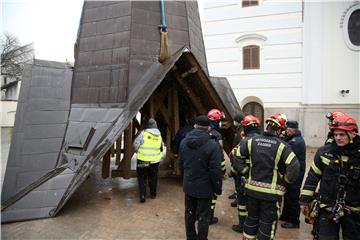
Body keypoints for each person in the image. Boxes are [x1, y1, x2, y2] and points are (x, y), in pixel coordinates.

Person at [233, 113, 300, 240]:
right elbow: (294, 167)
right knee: (267, 227)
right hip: (271, 196)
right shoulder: (282, 146)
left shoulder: (252, 141)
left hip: (251, 191)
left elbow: (236, 156)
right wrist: (285, 181)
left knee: (251, 222)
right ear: (280, 129)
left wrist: (246, 172)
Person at [299, 115, 360, 240]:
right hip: (327, 208)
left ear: (353, 134)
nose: (338, 138)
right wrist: (304, 201)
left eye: (342, 135)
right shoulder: (324, 152)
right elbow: (312, 177)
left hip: (353, 210)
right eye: (336, 134)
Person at [179, 115, 223, 240]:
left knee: (189, 213)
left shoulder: (184, 142)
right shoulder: (213, 145)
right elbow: (215, 170)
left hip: (189, 185)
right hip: (205, 188)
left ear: (195, 126)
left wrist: (185, 179)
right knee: (204, 216)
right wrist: (217, 188)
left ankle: (190, 237)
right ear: (208, 128)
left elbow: (181, 164)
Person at [231, 115, 261, 233]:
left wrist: (237, 172)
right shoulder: (261, 140)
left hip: (243, 177)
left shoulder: (244, 142)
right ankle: (253, 225)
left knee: (242, 202)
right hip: (257, 177)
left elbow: (236, 159)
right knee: (254, 203)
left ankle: (242, 225)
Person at [279, 120, 306, 229]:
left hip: (296, 172)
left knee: (293, 196)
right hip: (291, 171)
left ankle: (294, 221)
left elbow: (285, 153)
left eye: (288, 130)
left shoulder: (296, 142)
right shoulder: (292, 138)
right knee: (287, 193)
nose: (286, 131)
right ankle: (285, 215)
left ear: (293, 130)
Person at [133, 118, 164, 203]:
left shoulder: (143, 133)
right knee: (153, 176)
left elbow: (135, 144)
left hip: (143, 160)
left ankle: (142, 195)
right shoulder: (159, 135)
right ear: (155, 125)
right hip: (154, 161)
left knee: (142, 177)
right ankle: (153, 194)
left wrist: (138, 151)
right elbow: (161, 148)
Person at [207, 108, 226, 224]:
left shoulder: (204, 132)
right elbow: (220, 154)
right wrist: (223, 171)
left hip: (202, 169)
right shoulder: (217, 135)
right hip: (213, 170)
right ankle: (209, 217)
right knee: (213, 195)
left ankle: (201, 215)